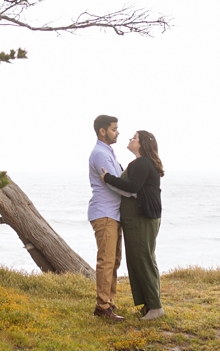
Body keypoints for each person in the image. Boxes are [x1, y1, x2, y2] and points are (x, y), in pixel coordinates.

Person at [101, 130, 165, 320]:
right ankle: (149, 305)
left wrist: (107, 179)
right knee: (138, 259)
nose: (130, 139)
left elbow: (132, 186)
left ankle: (155, 307)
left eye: (134, 138)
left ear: (142, 143)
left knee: (143, 259)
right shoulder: (141, 163)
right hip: (139, 218)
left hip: (142, 217)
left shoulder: (142, 162)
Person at [87, 114, 134, 321]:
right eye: (114, 129)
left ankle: (109, 303)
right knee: (106, 261)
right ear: (102, 131)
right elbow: (113, 183)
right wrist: (135, 193)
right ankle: (102, 307)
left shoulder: (109, 153)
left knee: (114, 260)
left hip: (113, 214)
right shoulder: (100, 154)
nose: (118, 132)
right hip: (104, 213)